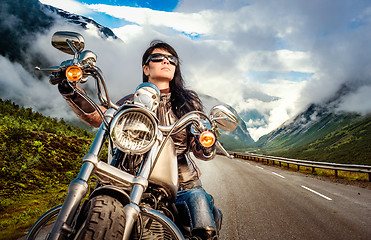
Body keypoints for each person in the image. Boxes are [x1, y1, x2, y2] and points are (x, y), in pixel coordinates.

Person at [58, 40, 221, 240]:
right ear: (146, 68)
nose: (166, 62)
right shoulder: (130, 102)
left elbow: (199, 146)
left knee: (200, 206)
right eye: (158, 58)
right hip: (129, 177)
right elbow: (100, 116)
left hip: (182, 186)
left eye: (172, 59)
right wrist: (73, 92)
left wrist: (207, 142)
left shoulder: (188, 104)